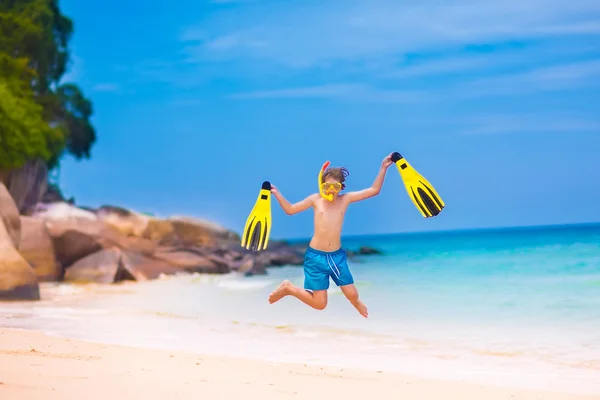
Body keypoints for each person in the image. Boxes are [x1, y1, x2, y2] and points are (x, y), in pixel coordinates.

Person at [267, 154, 394, 318]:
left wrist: (383, 167)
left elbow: (374, 190)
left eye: (335, 187)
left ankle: (356, 303)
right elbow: (290, 210)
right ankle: (289, 288)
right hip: (315, 257)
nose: (331, 191)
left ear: (342, 187)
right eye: (327, 187)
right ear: (321, 186)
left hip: (336, 257)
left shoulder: (345, 199)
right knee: (320, 304)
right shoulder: (315, 199)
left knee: (352, 294)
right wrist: (276, 193)